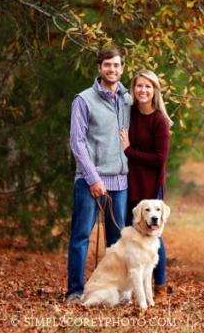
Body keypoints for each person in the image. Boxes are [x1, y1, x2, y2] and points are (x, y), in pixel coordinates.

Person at [66, 47, 131, 302]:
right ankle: (74, 290)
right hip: (89, 181)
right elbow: (77, 142)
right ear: (99, 68)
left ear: (122, 68)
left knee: (117, 243)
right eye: (107, 65)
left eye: (116, 65)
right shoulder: (83, 100)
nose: (112, 69)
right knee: (81, 236)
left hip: (121, 183)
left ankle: (115, 290)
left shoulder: (128, 100)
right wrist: (93, 178)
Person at [120, 69, 173, 303]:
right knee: (129, 235)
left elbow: (159, 159)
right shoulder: (128, 114)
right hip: (127, 183)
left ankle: (159, 287)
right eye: (139, 86)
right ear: (134, 89)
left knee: (153, 236)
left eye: (148, 86)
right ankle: (128, 288)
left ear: (155, 91)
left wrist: (129, 150)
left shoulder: (160, 121)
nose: (143, 90)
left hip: (151, 187)